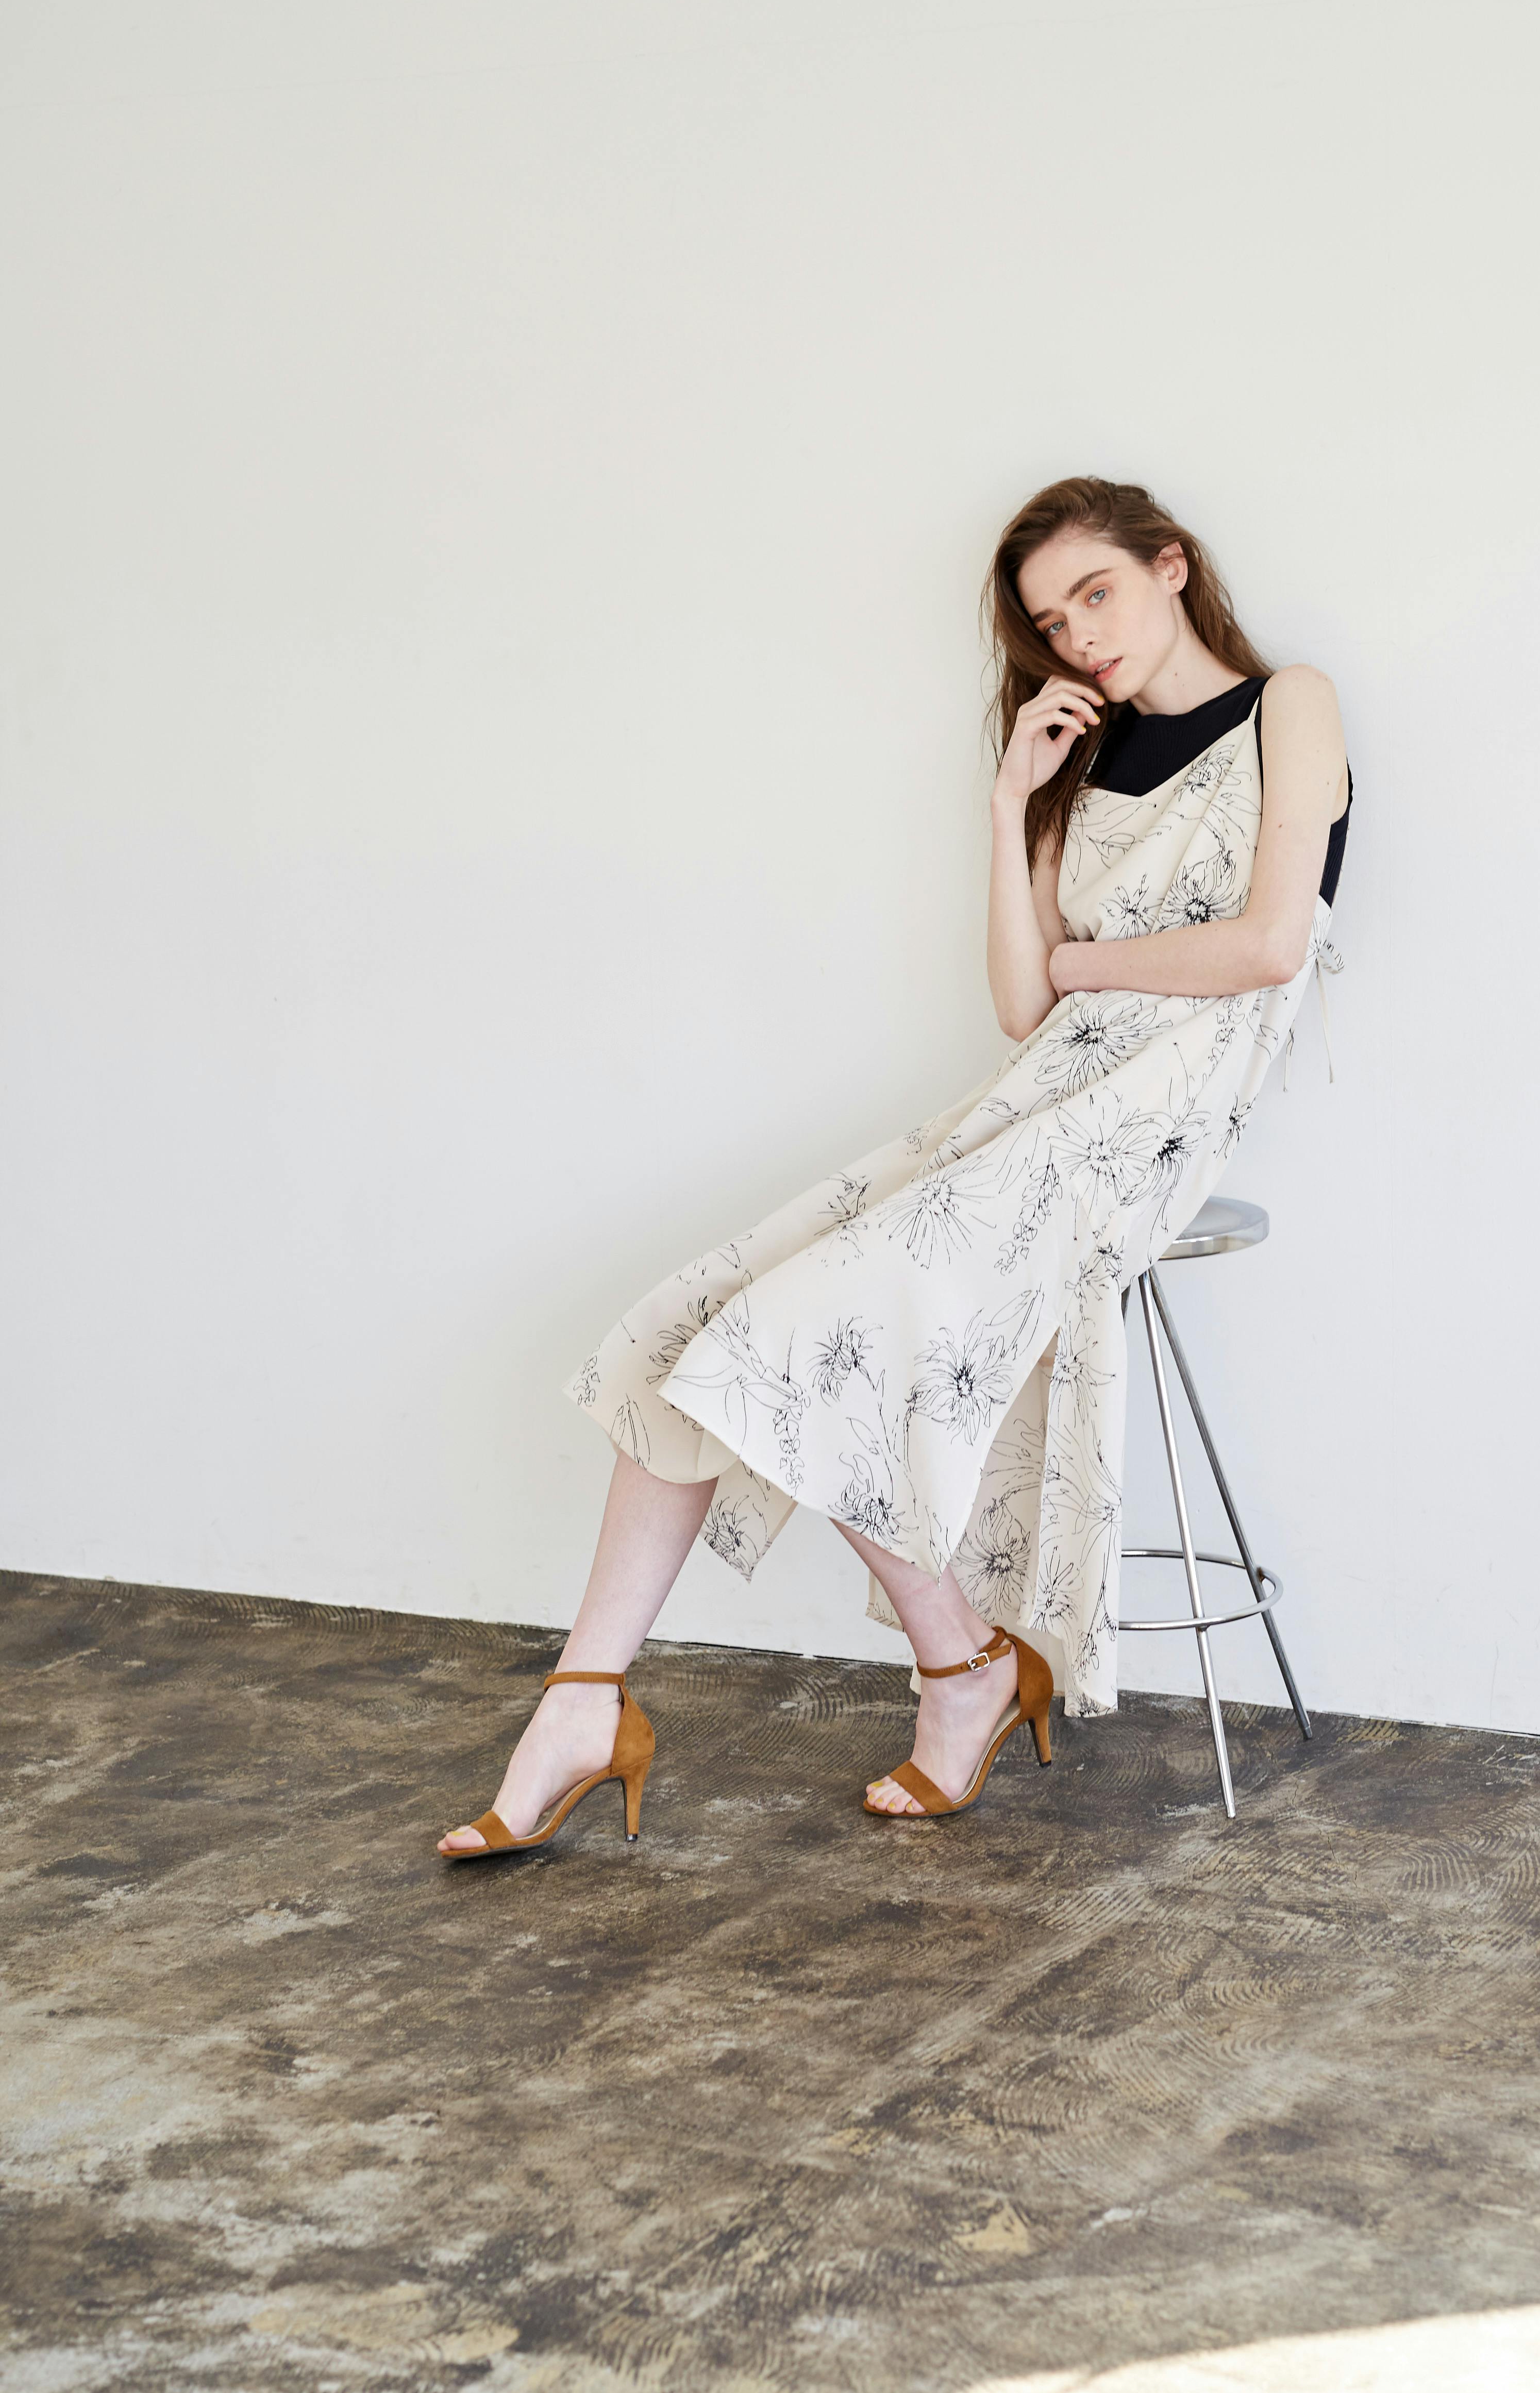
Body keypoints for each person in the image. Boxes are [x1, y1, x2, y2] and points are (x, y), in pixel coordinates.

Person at [438, 475, 1350, 1854]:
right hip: (1033, 1104)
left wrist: (1087, 963)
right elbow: (1022, 1007)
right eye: (1052, 621)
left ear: (1172, 566)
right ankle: (588, 1694)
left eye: (1096, 592)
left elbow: (1271, 947)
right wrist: (1009, 807)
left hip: (1146, 1127)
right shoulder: (1076, 754)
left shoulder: (1295, 706)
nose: (1080, 635)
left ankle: (966, 1673)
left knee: (791, 1344)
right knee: (702, 1327)